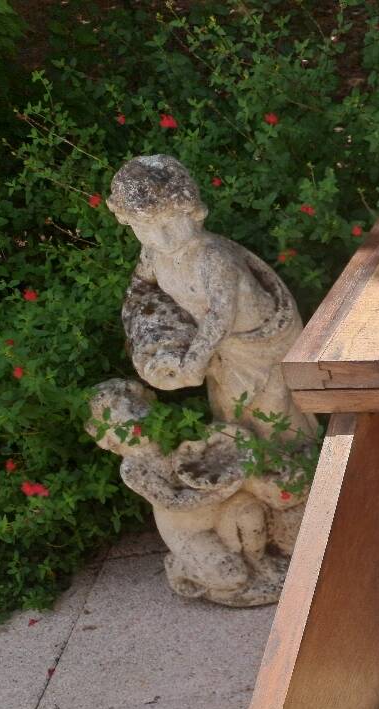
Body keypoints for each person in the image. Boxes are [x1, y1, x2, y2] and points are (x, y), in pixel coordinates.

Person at [107, 154, 316, 442]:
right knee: (231, 411)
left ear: (192, 211)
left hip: (260, 343)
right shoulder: (153, 254)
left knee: (275, 412)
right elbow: (140, 290)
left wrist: (193, 362)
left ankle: (305, 467)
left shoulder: (211, 256)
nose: (163, 238)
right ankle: (253, 469)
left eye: (170, 221)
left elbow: (221, 315)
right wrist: (148, 347)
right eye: (145, 227)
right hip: (220, 348)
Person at [86, 380, 287, 607]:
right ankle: (181, 566)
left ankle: (257, 561)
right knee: (233, 577)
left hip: (221, 511)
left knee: (251, 513)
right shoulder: (134, 468)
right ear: (108, 438)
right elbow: (173, 501)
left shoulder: (169, 436)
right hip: (190, 533)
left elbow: (204, 452)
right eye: (122, 424)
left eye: (139, 413)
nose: (137, 424)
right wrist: (219, 493)